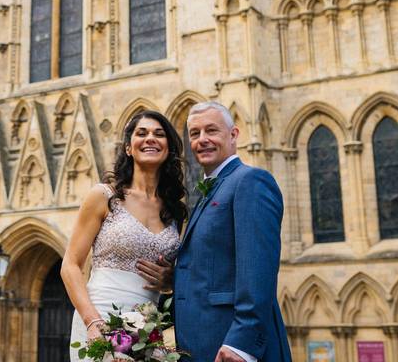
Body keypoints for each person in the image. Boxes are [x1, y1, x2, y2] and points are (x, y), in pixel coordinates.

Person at [62, 110, 188, 360]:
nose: (150, 138)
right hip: (100, 319)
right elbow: (70, 265)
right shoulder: (104, 196)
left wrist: (172, 281)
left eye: (159, 134)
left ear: (168, 148)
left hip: (148, 329)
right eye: (142, 133)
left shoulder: (175, 210)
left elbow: (178, 272)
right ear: (129, 148)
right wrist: (91, 321)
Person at [172, 102, 292, 362]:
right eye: (194, 134)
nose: (202, 140)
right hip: (204, 343)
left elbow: (258, 267)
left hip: (232, 347)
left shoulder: (250, 181)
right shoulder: (213, 188)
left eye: (211, 131)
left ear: (234, 135)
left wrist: (242, 343)